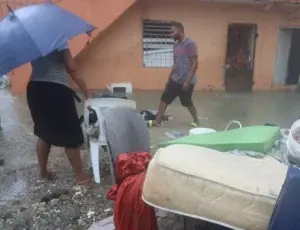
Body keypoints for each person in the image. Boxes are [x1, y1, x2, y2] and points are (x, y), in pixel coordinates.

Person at [27, 43, 91, 185]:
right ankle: (81, 177)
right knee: (70, 133)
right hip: (56, 89)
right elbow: (72, 68)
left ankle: (42, 174)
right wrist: (86, 91)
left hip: (35, 88)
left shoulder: (31, 40)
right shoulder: (57, 38)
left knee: (43, 131)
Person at [155, 21, 199, 127]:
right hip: (175, 79)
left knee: (187, 102)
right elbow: (175, 63)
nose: (171, 35)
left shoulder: (190, 44)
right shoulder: (175, 45)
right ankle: (157, 122)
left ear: (180, 31)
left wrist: (187, 81)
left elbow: (195, 64)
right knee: (164, 99)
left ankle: (196, 120)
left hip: (187, 81)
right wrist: (169, 78)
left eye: (173, 32)